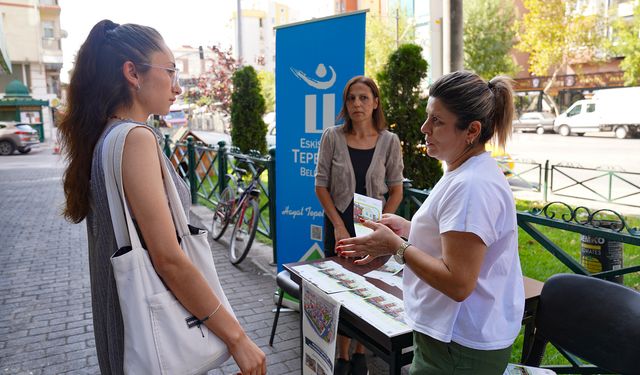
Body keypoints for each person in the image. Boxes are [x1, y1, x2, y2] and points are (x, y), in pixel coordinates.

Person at [57, 20, 266, 375]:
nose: (177, 87)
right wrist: (237, 338)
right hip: (148, 334)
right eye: (170, 71)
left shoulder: (104, 137)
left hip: (121, 326)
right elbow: (168, 258)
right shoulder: (136, 139)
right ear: (132, 74)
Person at [337, 71, 525, 375]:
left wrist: (396, 247)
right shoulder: (465, 171)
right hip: (455, 339)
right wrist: (410, 230)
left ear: (471, 131)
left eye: (437, 121)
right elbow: (457, 242)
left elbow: (458, 282)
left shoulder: (471, 186)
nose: (425, 128)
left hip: (458, 345)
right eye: (428, 117)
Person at [315, 75, 404, 375]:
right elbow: (321, 186)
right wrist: (339, 226)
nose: (357, 103)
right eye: (351, 98)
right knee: (339, 291)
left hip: (373, 231)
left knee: (368, 287)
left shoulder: (390, 141)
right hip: (338, 227)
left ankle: (361, 352)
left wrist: (382, 226)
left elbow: (396, 190)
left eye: (364, 97)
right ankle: (341, 356)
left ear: (375, 102)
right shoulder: (332, 136)